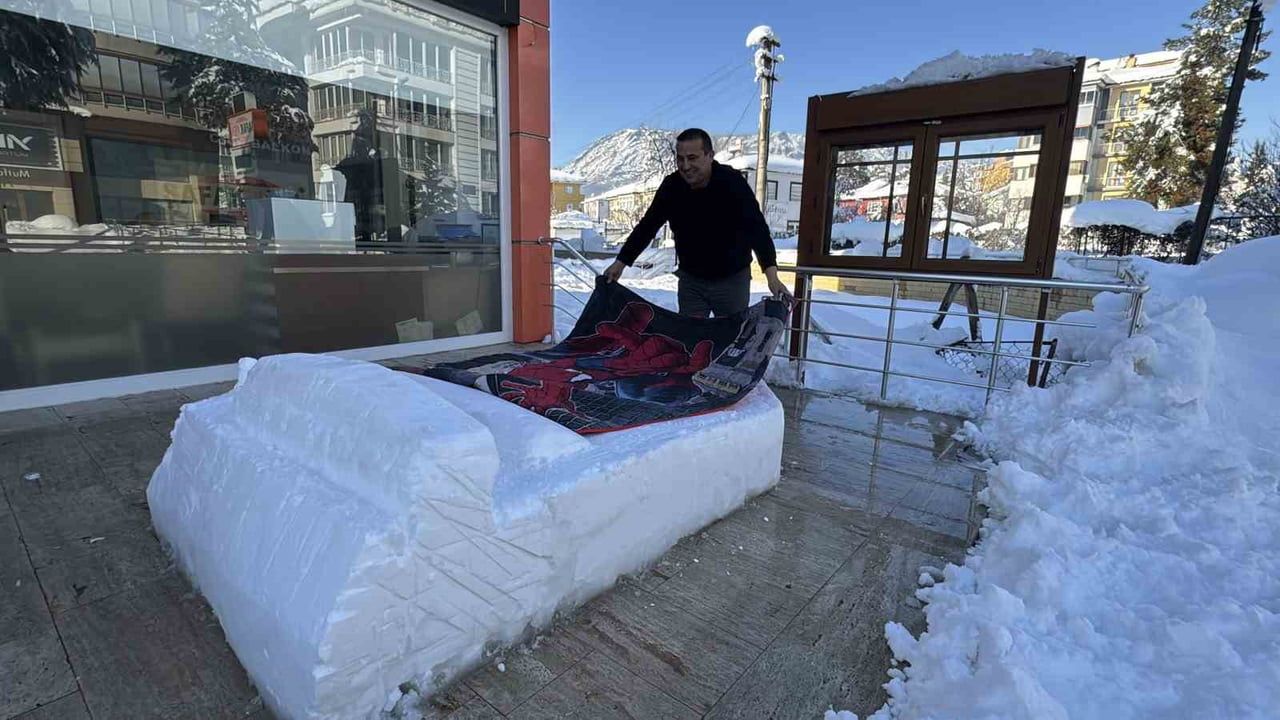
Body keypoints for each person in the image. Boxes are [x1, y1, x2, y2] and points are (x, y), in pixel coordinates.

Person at [604, 128, 792, 317]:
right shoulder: (671, 187)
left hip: (732, 280)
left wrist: (772, 277)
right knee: (690, 341)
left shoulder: (732, 183)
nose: (685, 166)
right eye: (680, 158)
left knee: (729, 338)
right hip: (691, 280)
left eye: (692, 158)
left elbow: (757, 229)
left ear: (710, 156)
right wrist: (620, 263)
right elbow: (647, 226)